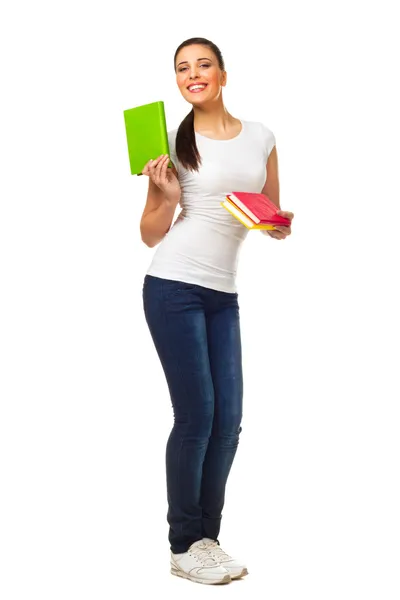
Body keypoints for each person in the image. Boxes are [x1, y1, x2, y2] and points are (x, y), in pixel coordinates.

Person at [140, 37, 294, 585]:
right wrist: (161, 194)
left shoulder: (262, 138)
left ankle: (207, 539)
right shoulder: (171, 143)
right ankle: (184, 542)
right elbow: (150, 232)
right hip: (172, 285)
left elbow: (271, 218)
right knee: (198, 416)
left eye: (203, 64)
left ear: (223, 74)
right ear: (178, 81)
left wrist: (278, 224)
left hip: (222, 293)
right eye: (182, 68)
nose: (193, 74)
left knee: (228, 422)